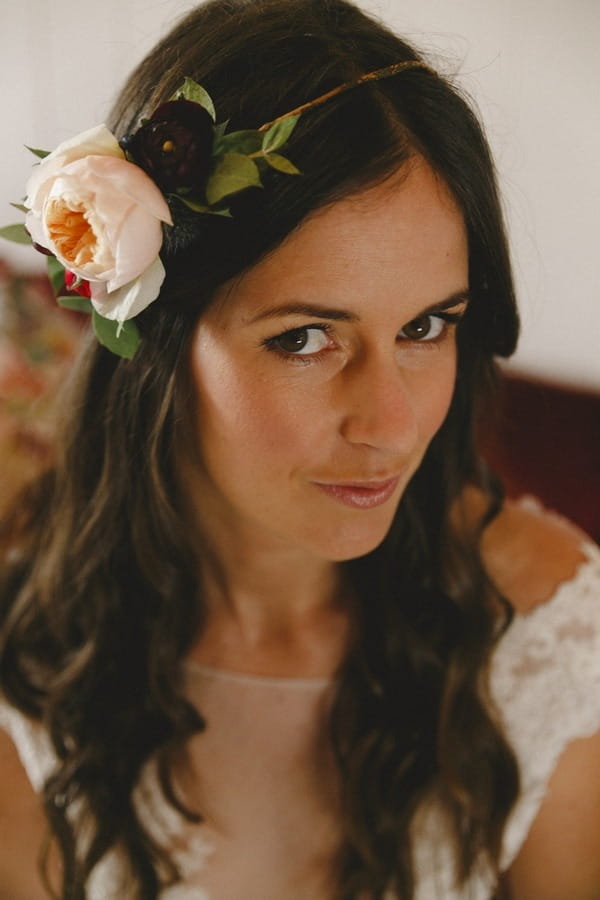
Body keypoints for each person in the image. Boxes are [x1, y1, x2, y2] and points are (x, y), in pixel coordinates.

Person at [0, 0, 599, 897]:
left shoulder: (545, 635)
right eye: (305, 339)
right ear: (162, 339)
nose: (392, 425)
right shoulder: (30, 667)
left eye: (428, 326)